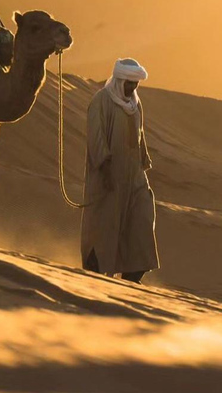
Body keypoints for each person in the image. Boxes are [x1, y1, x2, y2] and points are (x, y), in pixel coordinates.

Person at [81, 58, 159, 284]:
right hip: (108, 176)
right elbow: (96, 139)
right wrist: (105, 171)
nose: (133, 88)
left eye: (136, 84)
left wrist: (143, 162)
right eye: (129, 84)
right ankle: (95, 276)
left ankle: (131, 277)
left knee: (142, 222)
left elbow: (139, 134)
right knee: (105, 227)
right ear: (119, 80)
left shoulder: (135, 103)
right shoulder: (101, 101)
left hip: (134, 176)